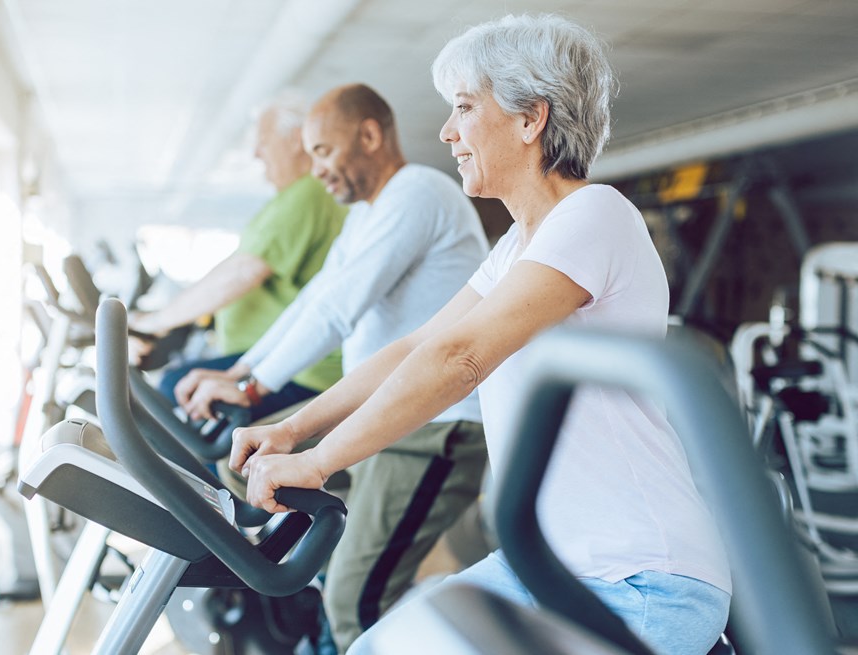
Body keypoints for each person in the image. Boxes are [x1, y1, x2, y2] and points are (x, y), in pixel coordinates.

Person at [229, 15, 732, 655]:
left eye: (464, 108)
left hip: (639, 577)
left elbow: (461, 358)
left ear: (531, 119)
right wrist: (294, 429)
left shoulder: (594, 214)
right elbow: (414, 347)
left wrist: (319, 462)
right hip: (551, 568)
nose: (447, 132)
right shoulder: (517, 247)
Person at [177, 84, 490, 653]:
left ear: (369, 136)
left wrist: (252, 386)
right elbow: (314, 299)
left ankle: (344, 620)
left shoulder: (418, 192)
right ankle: (320, 609)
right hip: (383, 414)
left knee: (354, 601)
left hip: (436, 428)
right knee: (247, 465)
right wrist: (242, 372)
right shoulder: (366, 214)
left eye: (323, 151)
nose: (316, 169)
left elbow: (337, 310)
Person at [128, 93, 346, 419]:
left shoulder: (308, 194)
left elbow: (243, 272)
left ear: (297, 141)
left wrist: (156, 323)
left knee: (176, 386)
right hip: (270, 355)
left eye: (263, 141)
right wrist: (161, 319)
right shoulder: (292, 197)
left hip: (305, 370)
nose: (256, 154)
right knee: (181, 388)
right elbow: (234, 266)